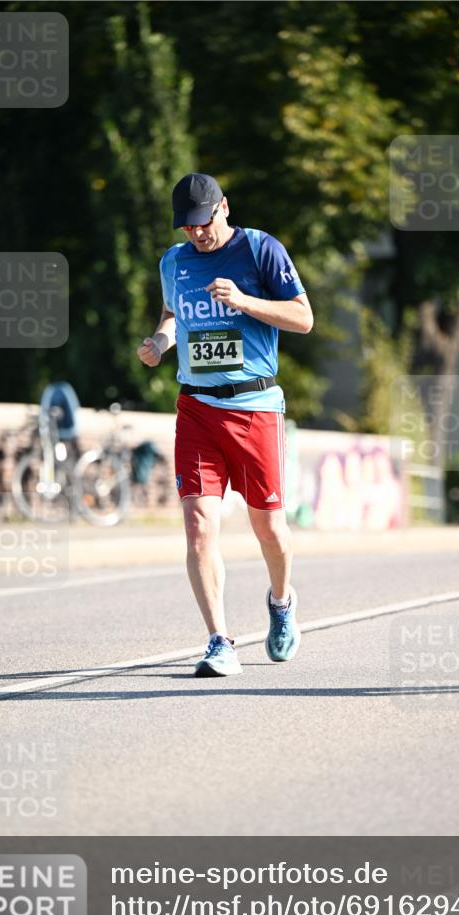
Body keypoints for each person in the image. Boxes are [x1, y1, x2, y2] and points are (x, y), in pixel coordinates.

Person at [138, 173, 313, 677]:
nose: (197, 234)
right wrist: (160, 341)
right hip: (196, 408)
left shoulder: (261, 250)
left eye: (203, 223)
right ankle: (219, 640)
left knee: (270, 528)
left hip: (255, 405)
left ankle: (281, 602)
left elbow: (303, 319)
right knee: (197, 526)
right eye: (188, 226)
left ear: (224, 208)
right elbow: (174, 315)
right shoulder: (174, 261)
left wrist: (243, 301)